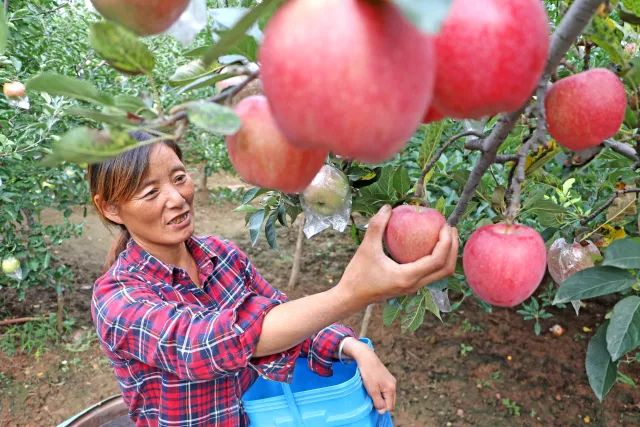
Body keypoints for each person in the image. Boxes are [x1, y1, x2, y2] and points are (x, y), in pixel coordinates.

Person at [88, 132, 459, 427]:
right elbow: (209, 346)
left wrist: (354, 348)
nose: (177, 199)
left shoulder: (221, 256)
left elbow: (283, 317)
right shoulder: (118, 299)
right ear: (110, 207)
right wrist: (351, 292)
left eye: (179, 178)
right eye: (151, 192)